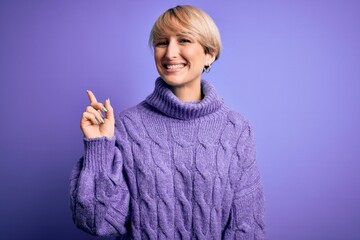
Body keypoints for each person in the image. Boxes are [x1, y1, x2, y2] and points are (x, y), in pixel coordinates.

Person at [70, 5, 265, 239]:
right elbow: (97, 222)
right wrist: (98, 145)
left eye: (184, 40)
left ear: (209, 54)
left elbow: (247, 229)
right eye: (162, 42)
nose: (170, 53)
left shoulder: (236, 130)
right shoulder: (128, 126)